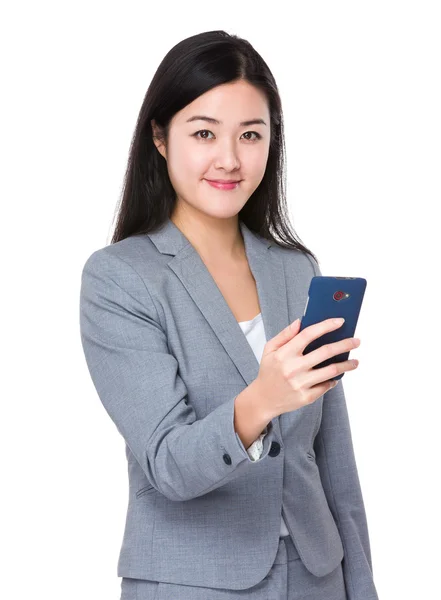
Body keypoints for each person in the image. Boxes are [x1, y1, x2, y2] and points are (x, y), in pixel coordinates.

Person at [79, 30, 379, 600]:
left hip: (318, 578)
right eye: (203, 133)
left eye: (250, 134)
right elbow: (167, 464)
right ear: (160, 139)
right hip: (195, 583)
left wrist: (361, 587)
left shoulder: (296, 270)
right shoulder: (121, 278)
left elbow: (335, 465)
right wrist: (262, 399)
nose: (230, 159)